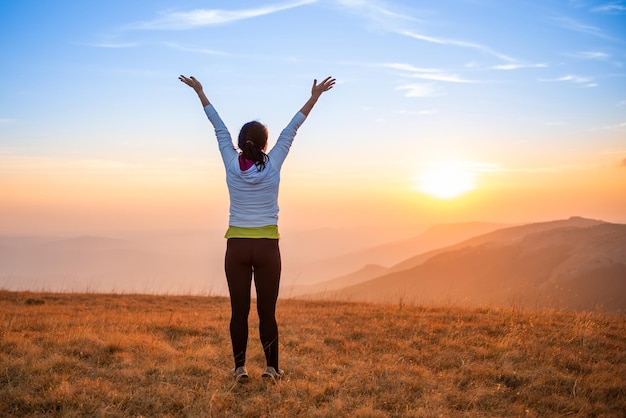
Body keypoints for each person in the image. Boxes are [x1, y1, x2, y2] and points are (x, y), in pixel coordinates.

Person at [179, 74, 335, 383]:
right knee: (267, 313)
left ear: (239, 142)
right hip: (267, 247)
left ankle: (239, 369)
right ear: (266, 143)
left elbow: (217, 126)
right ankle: (272, 369)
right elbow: (293, 128)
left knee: (239, 312)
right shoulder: (274, 161)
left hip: (236, 246)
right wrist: (314, 96)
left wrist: (201, 92)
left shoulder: (230, 161)